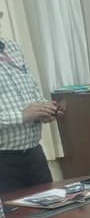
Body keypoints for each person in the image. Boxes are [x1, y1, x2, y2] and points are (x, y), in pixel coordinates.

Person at [0, 36, 64, 193]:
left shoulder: (11, 47)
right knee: (13, 209)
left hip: (34, 154)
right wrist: (22, 115)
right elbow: (25, 113)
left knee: (51, 205)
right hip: (4, 161)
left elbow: (31, 87)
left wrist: (45, 109)